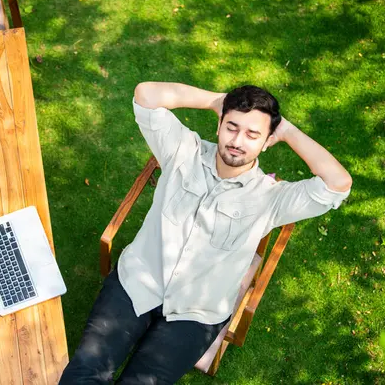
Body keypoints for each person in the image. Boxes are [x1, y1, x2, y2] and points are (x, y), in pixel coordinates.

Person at [59, 82, 352, 384]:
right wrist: (215, 100)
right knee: (85, 371)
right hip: (138, 282)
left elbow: (338, 182)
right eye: (232, 127)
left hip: (196, 314)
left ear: (267, 142)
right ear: (219, 125)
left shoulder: (271, 198)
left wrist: (288, 130)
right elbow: (146, 94)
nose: (237, 141)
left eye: (253, 134)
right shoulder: (183, 150)